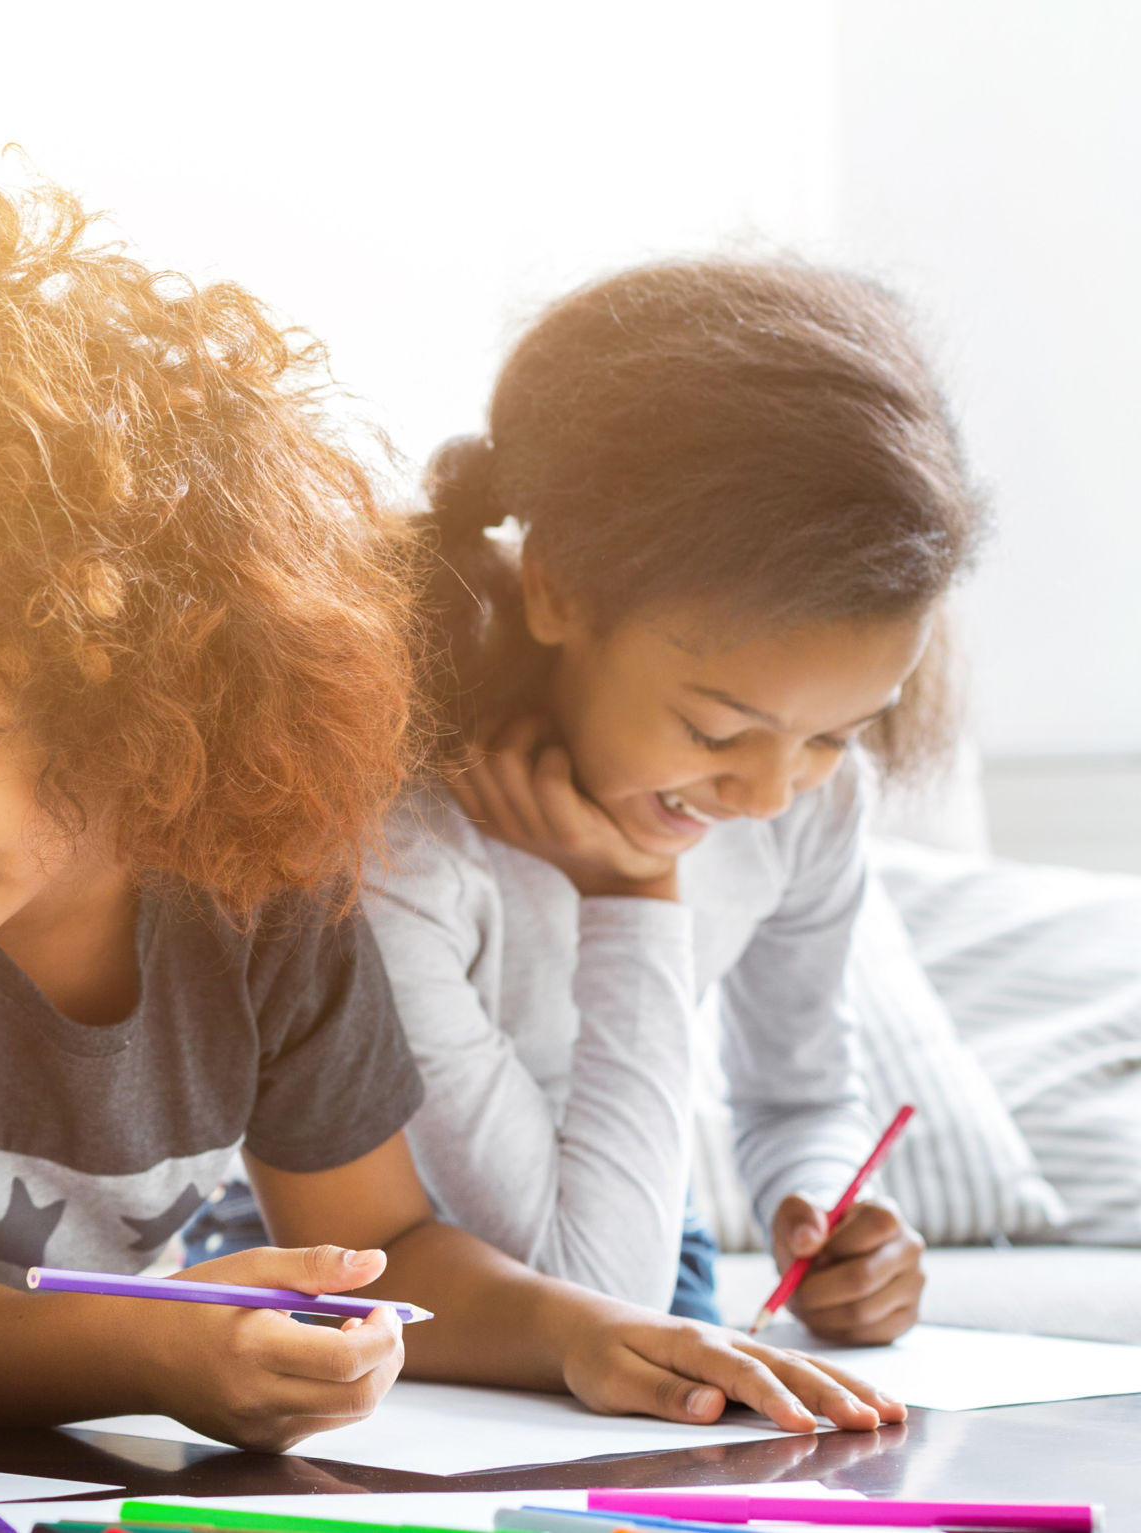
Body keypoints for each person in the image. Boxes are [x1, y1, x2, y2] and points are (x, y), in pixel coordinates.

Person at [0, 158, 902, 1452]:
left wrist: (583, 1334)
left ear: (133, 693)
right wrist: (166, 1350)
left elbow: (394, 1243)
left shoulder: (257, 870)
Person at [362, 259, 971, 1340]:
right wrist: (632, 891)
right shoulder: (405, 840)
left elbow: (797, 1095)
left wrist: (830, 1205)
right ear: (558, 588)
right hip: (384, 1272)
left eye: (835, 734)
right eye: (716, 730)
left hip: (641, 1231)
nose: (768, 791)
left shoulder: (809, 810)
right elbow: (590, 1291)